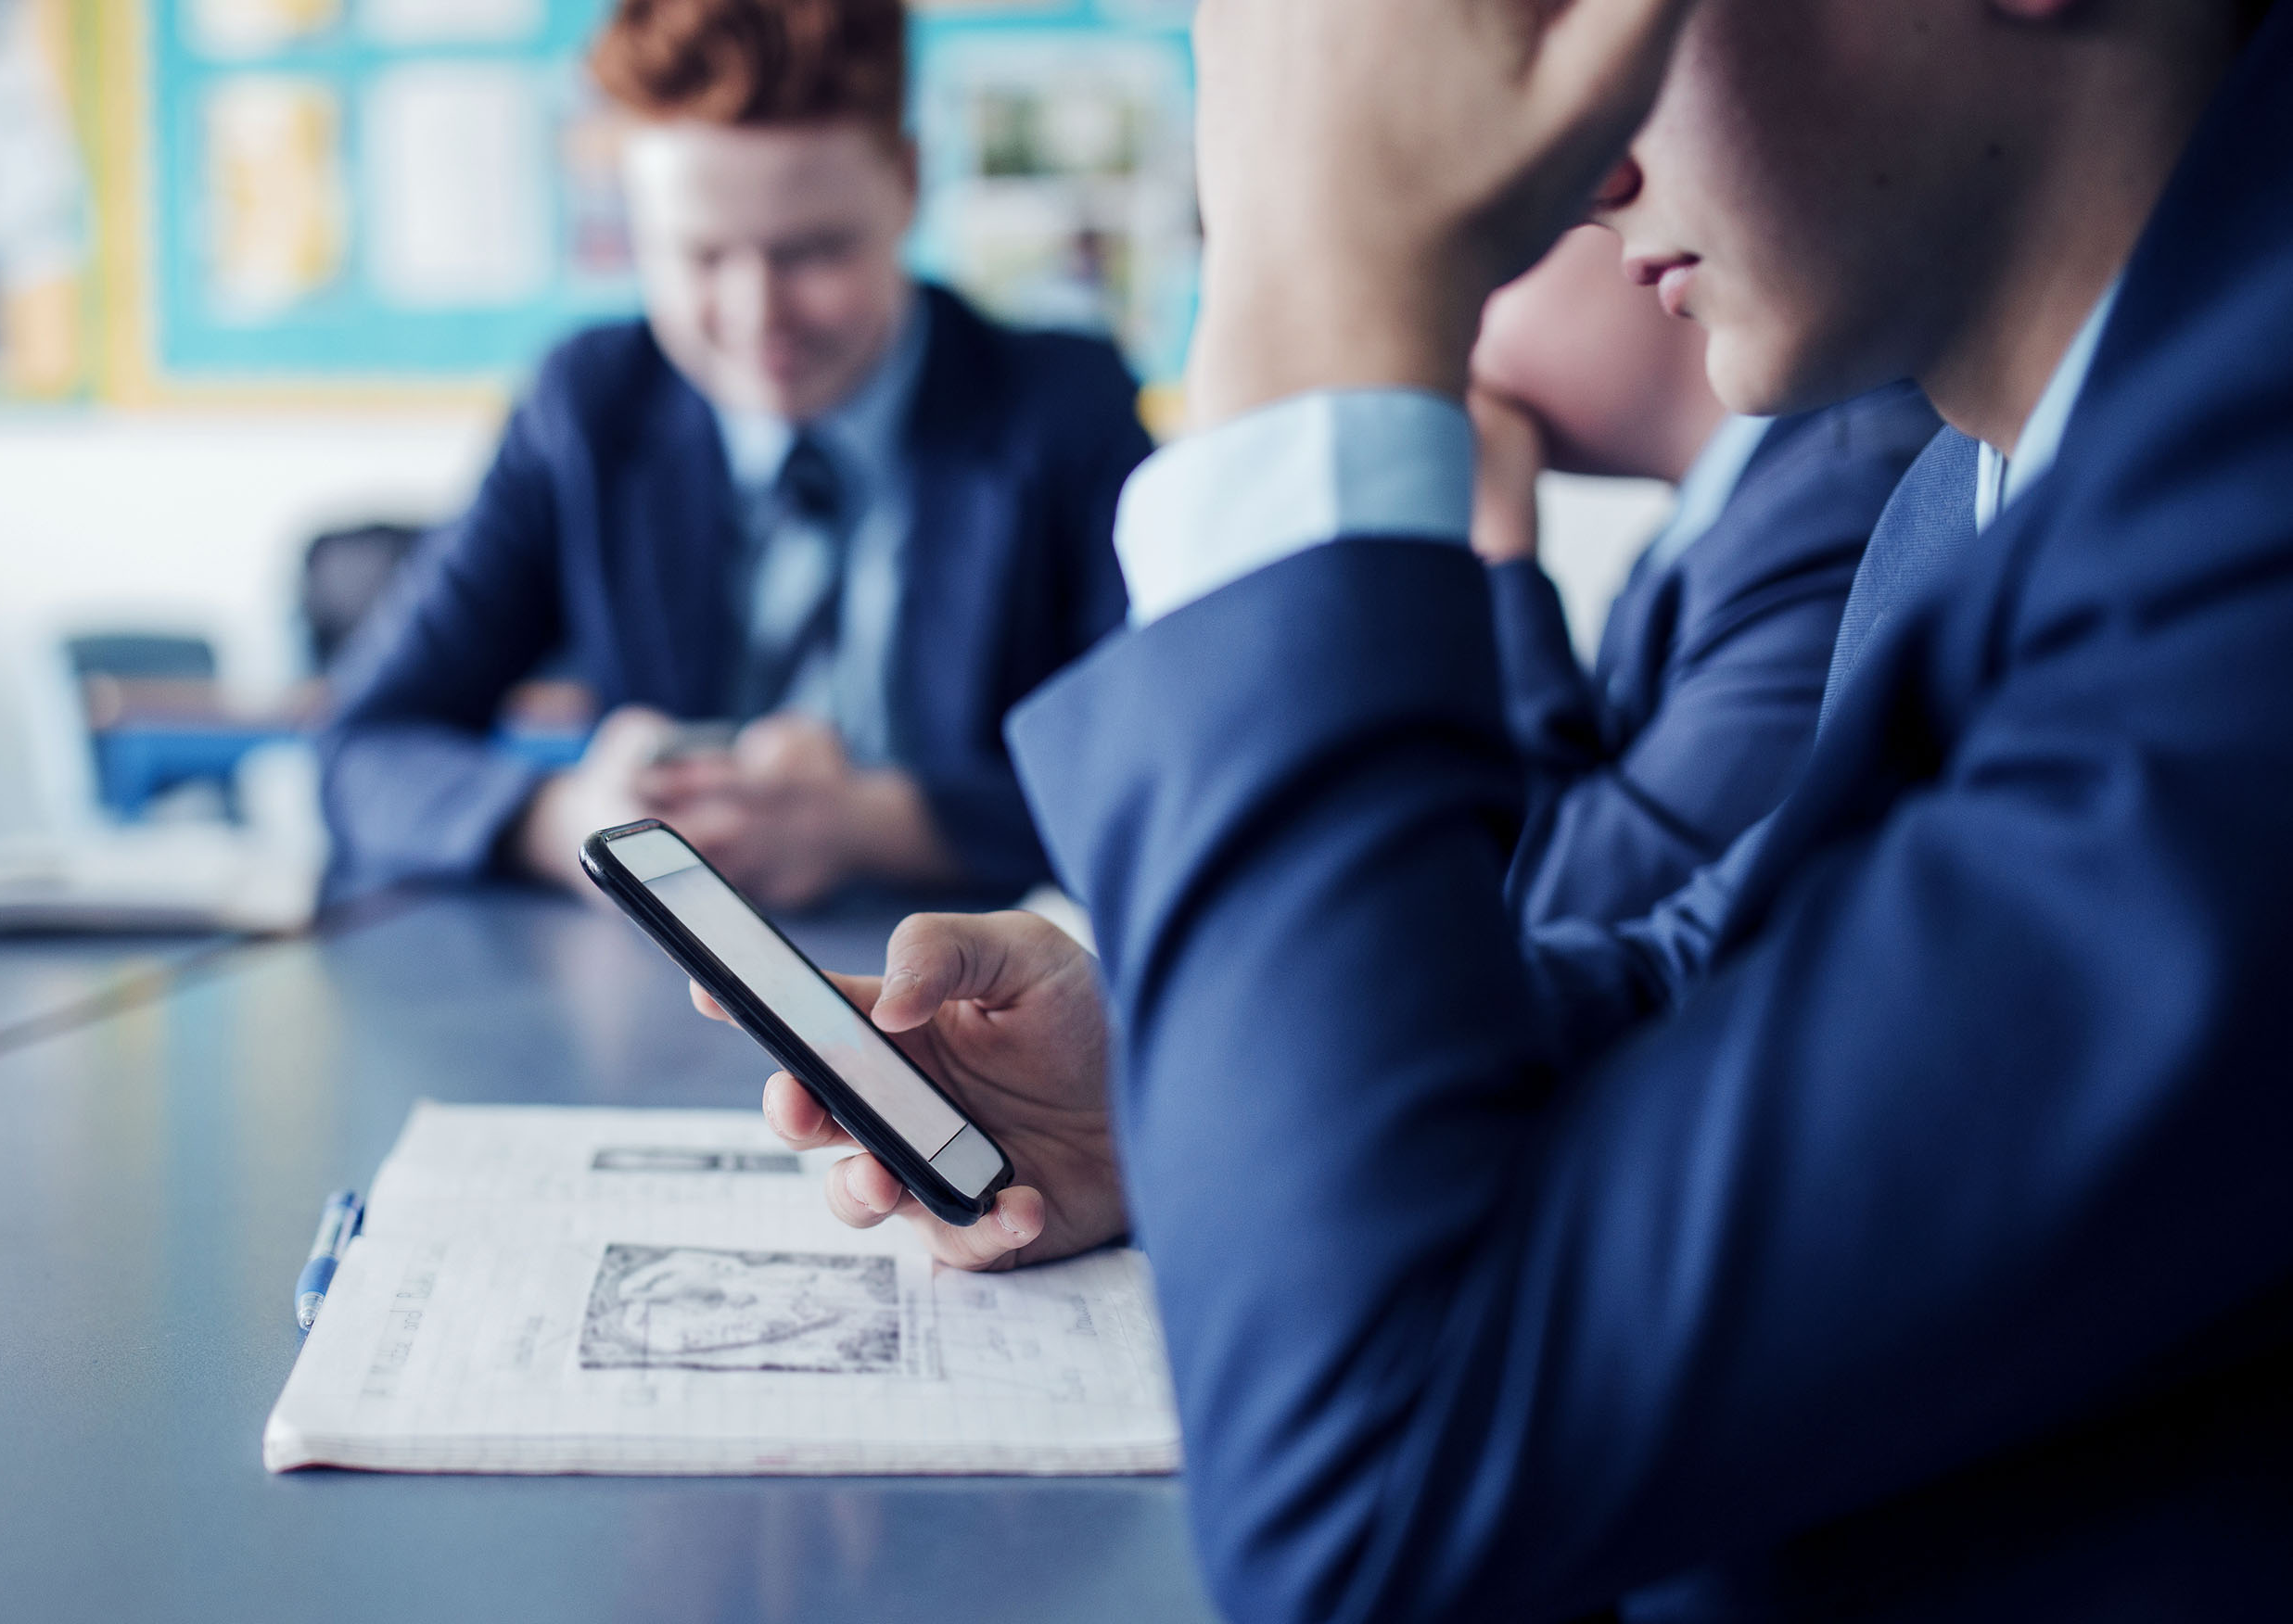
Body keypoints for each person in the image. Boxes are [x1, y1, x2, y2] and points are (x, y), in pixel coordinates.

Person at [716, 0, 2293, 1617]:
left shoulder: (2246, 566)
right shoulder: (1981, 488)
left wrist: (1322, 298)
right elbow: (1721, 973)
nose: (1587, 173)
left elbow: (1378, 1495)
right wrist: (1180, 1074)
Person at [318, 0, 1149, 909]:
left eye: (814, 251)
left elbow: (1160, 778)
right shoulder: (589, 406)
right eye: (701, 256)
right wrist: (574, 826)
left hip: (974, 1008)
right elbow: (362, 749)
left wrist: (872, 823)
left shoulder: (1062, 409)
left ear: (908, 184)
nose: (758, 318)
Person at [1468, 224, 1938, 930]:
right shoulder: (1692, 550)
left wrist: (1491, 553)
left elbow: (1543, 922)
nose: (1439, 350)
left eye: (1471, 264)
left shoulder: (1842, 506)